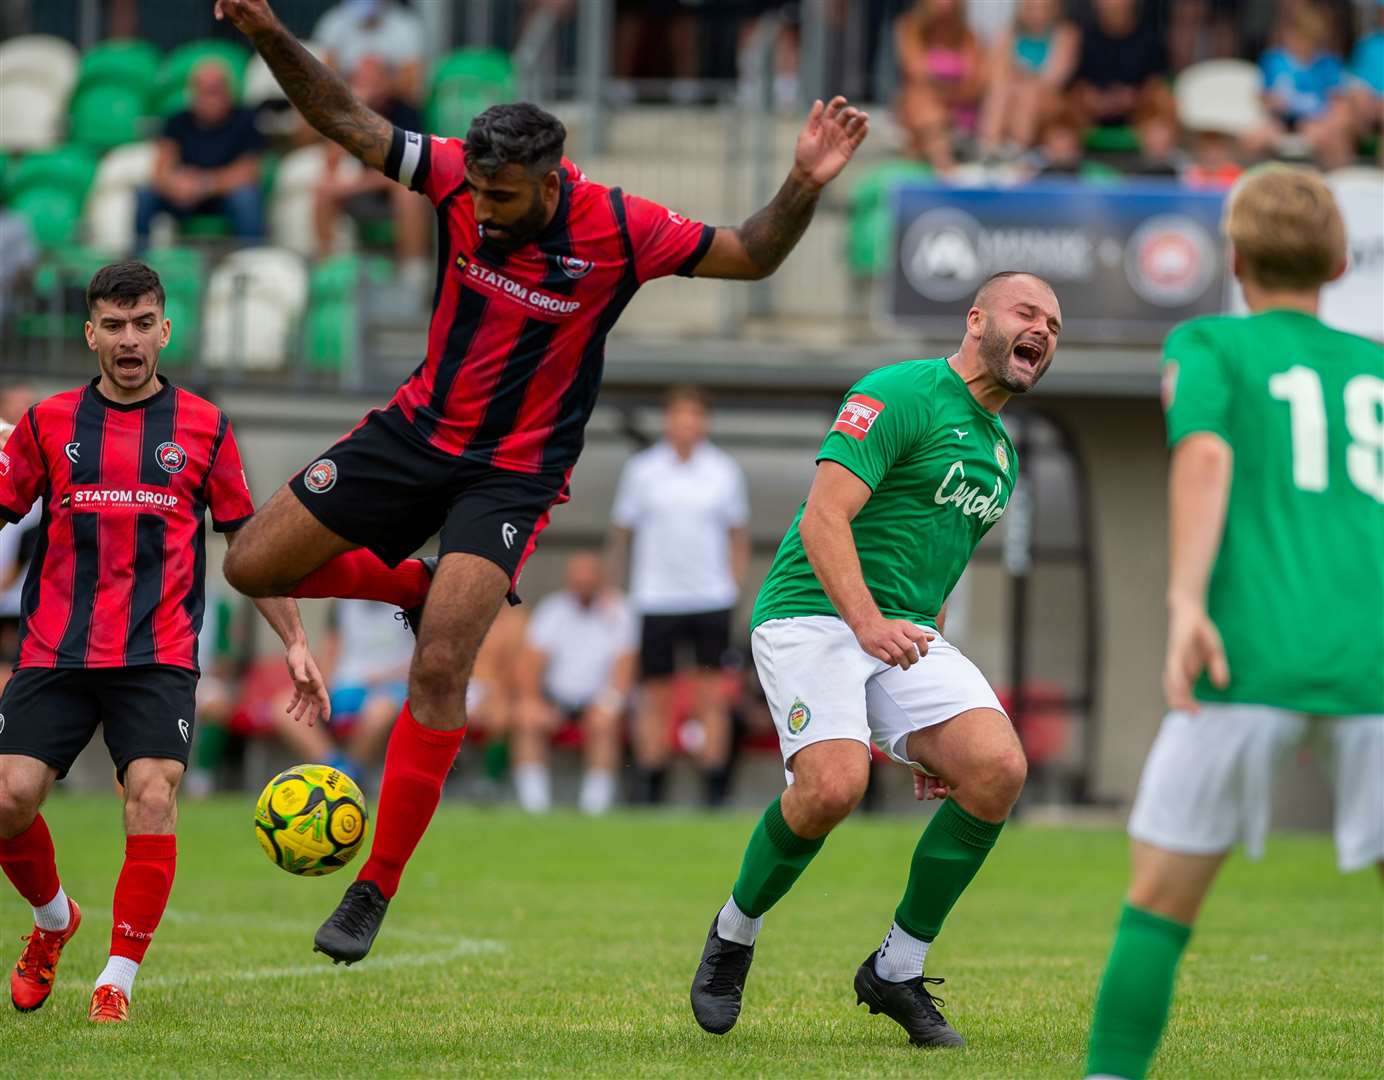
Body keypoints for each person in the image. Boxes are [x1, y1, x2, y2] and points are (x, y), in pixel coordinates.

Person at [212, 0, 868, 967]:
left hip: (514, 474)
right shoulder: (453, 178)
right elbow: (344, 118)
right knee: (252, 565)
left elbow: (751, 252)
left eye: (503, 197)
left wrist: (802, 182)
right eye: (475, 191)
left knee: (441, 668)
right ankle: (414, 587)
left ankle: (373, 889)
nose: (480, 209)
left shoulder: (622, 228)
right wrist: (268, 32)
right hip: (415, 431)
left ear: (552, 179)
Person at [689, 270, 1059, 1048]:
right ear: (977, 318)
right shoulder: (897, 393)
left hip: (902, 632)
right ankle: (733, 932)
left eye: (1056, 326)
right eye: (1029, 313)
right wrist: (863, 623)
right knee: (832, 787)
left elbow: (939, 570)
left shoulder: (1000, 451)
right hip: (811, 616)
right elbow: (825, 517)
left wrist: (936, 726)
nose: (1045, 332)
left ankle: (897, 968)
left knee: (995, 769)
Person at [1082, 166, 1384, 1080]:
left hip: (1243, 653)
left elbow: (1206, 456)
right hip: (1375, 665)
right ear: (1339, 261)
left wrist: (1183, 604)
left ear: (1235, 256)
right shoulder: (1377, 368)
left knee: (1158, 903)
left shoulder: (1208, 341)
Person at [0, 262, 328, 1024]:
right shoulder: (49, 424)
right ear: (90, 334)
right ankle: (55, 922)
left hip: (159, 651)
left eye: (142, 323)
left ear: (165, 330)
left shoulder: (205, 426)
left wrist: (295, 640)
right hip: (56, 649)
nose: (128, 339)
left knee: (151, 796)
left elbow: (248, 543)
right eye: (113, 326)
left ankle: (116, 980)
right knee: (8, 802)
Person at [609, 387, 750, 807]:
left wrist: (733, 586)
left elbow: (737, 536)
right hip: (656, 598)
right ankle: (651, 786)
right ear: (667, 421)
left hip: (710, 598)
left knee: (712, 696)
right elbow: (622, 534)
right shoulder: (642, 470)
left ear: (704, 423)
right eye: (678, 416)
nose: (686, 425)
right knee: (655, 696)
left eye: (694, 417)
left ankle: (713, 790)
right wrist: (617, 589)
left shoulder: (724, 471)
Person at [513, 552, 636, 815]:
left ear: (600, 579)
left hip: (599, 700)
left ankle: (595, 808)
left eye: (589, 577)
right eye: (577, 578)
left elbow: (625, 667)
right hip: (555, 699)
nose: (583, 584)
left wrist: (609, 704)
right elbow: (531, 662)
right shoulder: (552, 610)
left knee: (605, 725)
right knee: (527, 720)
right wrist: (533, 701)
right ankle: (534, 807)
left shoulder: (620, 612)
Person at [313, 55, 432, 294]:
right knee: (324, 191)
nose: (368, 87)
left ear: (388, 82)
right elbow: (331, 163)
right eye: (361, 81)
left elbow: (408, 169)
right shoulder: (348, 113)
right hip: (364, 192)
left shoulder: (406, 112)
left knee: (406, 193)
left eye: (374, 80)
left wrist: (352, 187)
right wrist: (351, 113)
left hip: (397, 189)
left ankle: (413, 273)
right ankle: (326, 269)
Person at [272, 599, 412, 779]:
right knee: (284, 708)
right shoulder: (342, 604)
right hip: (345, 688)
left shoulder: (412, 599)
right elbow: (330, 650)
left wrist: (382, 677)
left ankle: (351, 776)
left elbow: (420, 658)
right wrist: (321, 686)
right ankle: (335, 770)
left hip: (392, 687)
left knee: (380, 711)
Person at [134, 60, 267, 250]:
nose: (210, 98)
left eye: (215, 90)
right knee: (145, 194)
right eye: (204, 91)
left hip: (223, 195)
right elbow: (160, 168)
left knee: (246, 198)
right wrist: (175, 183)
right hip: (183, 193)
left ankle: (251, 260)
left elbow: (249, 172)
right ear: (193, 92)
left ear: (228, 91)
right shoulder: (177, 120)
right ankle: (138, 263)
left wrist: (206, 184)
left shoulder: (245, 120)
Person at [1244, 1, 1356, 169]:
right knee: (1252, 140)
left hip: (1317, 123)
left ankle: (1338, 185)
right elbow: (1262, 98)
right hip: (1279, 123)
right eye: (1297, 35)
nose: (1300, 42)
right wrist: (1273, 102)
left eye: (1307, 38)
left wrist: (1322, 125)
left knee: (1336, 139)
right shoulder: (1273, 60)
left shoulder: (1328, 64)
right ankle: (1253, 184)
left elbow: (1339, 105)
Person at [1066, 0, 1177, 163]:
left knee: (1160, 125)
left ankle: (1155, 176)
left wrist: (1133, 99)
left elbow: (1156, 83)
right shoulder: (1081, 36)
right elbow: (1074, 84)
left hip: (1139, 111)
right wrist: (1093, 100)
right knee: (1062, 130)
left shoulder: (1151, 36)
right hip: (1089, 113)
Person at [976, 0, 1079, 160]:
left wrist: (1022, 77)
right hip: (1012, 95)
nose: (1038, 13)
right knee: (1000, 90)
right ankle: (989, 147)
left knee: (1028, 92)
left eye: (1044, 8)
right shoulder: (1009, 33)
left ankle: (1018, 148)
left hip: (1049, 99)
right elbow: (995, 72)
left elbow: (1055, 79)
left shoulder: (1065, 34)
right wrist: (1018, 79)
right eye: (1032, 8)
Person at [893, 0, 987, 171]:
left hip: (958, 113)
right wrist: (952, 88)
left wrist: (939, 90)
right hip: (923, 113)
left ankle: (936, 161)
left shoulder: (968, 36)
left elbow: (976, 86)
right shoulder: (909, 28)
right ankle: (943, 164)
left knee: (924, 101)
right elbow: (915, 73)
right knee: (920, 99)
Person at [312, 0, 425, 104]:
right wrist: (354, 88)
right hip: (344, 100)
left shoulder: (405, 26)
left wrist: (378, 84)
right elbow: (322, 78)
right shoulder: (334, 23)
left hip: (391, 106)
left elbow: (412, 86)